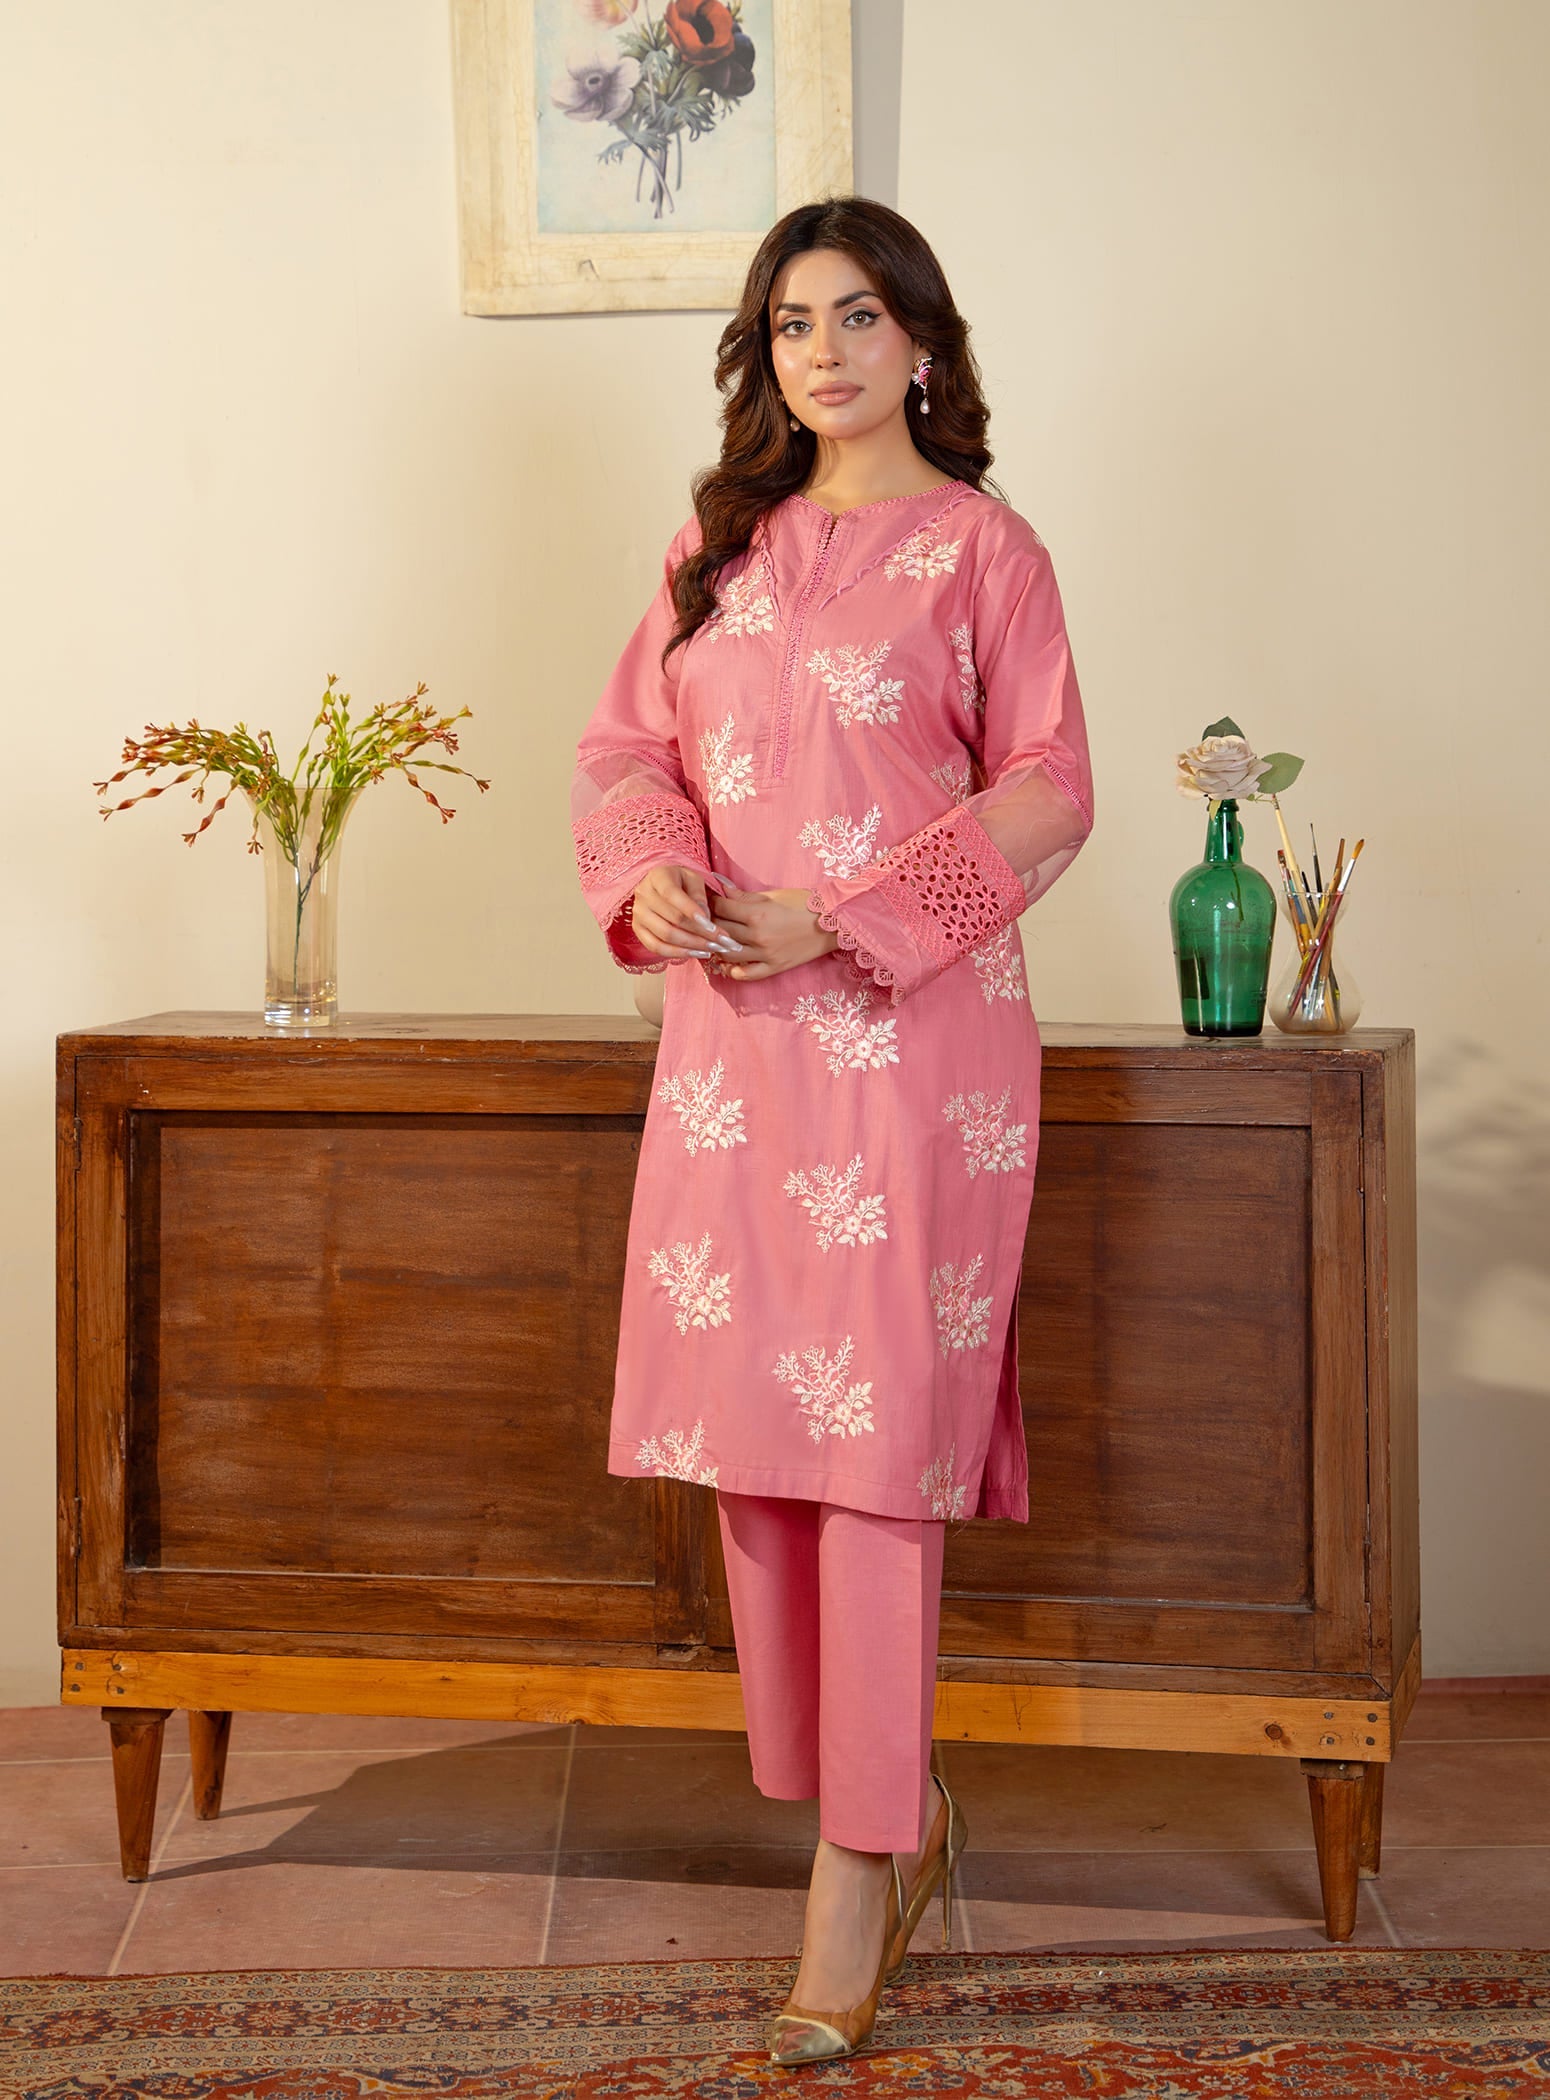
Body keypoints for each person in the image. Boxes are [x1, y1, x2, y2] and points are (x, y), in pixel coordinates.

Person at [570, 195, 1095, 2064]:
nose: (824, 350)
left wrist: (849, 918)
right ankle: (870, 1803)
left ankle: (856, 1868)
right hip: (734, 1059)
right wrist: (654, 875)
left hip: (908, 1052)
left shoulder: (984, 549)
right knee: (759, 1449)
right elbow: (625, 750)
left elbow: (1051, 784)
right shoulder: (715, 546)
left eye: (858, 314)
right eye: (792, 321)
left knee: (872, 1454)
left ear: (920, 341)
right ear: (764, 352)